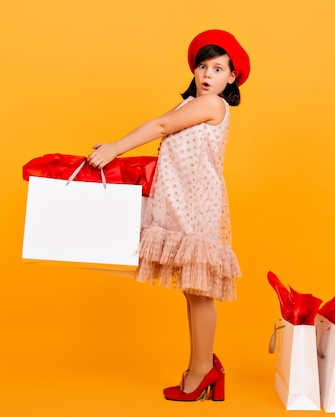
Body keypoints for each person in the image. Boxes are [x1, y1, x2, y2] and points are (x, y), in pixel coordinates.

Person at [86, 29, 250, 402]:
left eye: (219, 68)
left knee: (200, 292)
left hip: (197, 205)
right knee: (194, 293)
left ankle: (201, 370)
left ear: (232, 77)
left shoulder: (212, 105)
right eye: (203, 65)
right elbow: (168, 136)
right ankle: (201, 367)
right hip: (182, 202)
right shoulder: (191, 103)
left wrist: (115, 148)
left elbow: (159, 127)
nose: (208, 74)